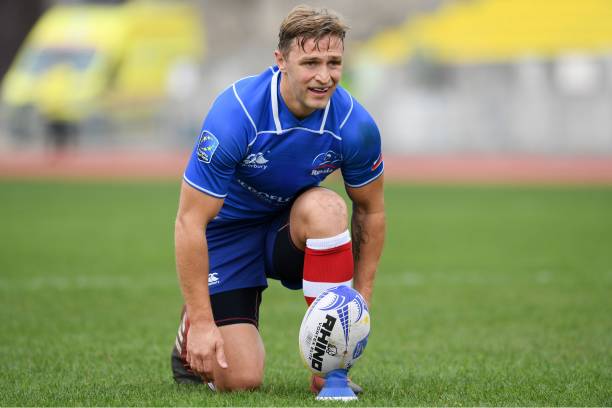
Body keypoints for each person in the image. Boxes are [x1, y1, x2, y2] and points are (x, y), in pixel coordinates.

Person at [171, 5, 385, 393]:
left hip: (287, 231)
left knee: (328, 208)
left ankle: (332, 373)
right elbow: (190, 221)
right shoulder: (236, 114)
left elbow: (370, 211)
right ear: (281, 61)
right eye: (311, 62)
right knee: (241, 379)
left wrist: (360, 303)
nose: (324, 76)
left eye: (334, 62)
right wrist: (204, 322)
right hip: (228, 237)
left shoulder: (355, 126)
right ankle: (191, 325)